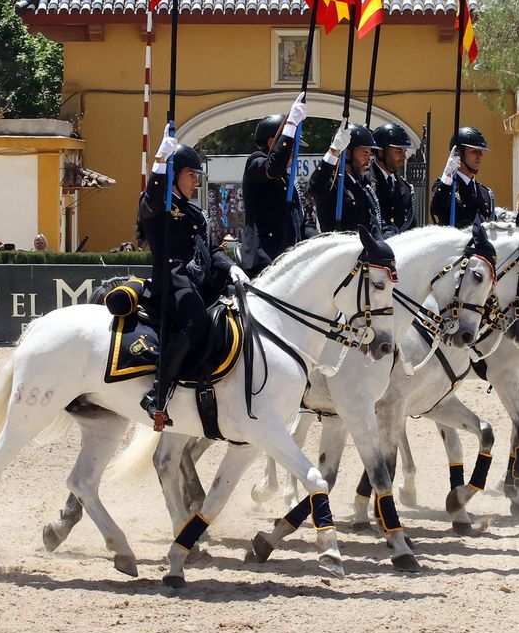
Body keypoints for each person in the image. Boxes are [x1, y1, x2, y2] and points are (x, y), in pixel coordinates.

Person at [139, 128, 248, 427]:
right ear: (175, 174)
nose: (196, 180)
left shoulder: (195, 213)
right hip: (172, 280)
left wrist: (230, 268)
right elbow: (152, 197)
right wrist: (161, 162)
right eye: (191, 174)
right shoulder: (159, 206)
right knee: (196, 322)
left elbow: (211, 249)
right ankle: (158, 392)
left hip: (198, 279)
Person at [239, 94, 309, 275]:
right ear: (272, 143)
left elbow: (298, 221)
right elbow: (272, 168)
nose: (294, 152)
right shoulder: (256, 161)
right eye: (291, 146)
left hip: (287, 257)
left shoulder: (287, 178)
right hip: (264, 258)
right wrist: (291, 125)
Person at [309, 123, 383, 236]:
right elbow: (316, 186)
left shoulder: (359, 185)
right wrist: (334, 150)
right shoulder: (334, 183)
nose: (369, 159)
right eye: (365, 153)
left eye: (370, 154)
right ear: (347, 153)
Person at [429, 126, 495, 228]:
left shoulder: (485, 193)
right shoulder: (446, 186)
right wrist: (447, 175)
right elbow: (437, 209)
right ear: (459, 153)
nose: (480, 156)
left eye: (481, 151)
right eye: (474, 151)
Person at [371, 123, 416, 238]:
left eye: (404, 151)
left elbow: (411, 228)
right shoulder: (364, 182)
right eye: (398, 151)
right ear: (380, 152)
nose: (403, 157)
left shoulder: (406, 188)